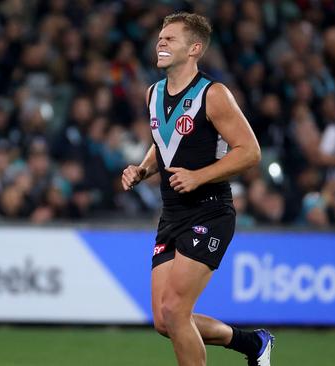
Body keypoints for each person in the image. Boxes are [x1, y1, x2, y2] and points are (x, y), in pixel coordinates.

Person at [121, 13, 273, 366]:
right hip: (172, 213)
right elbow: (164, 143)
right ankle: (252, 344)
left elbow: (250, 152)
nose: (160, 42)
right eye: (160, 37)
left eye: (170, 38)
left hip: (210, 210)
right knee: (164, 321)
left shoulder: (214, 94)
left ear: (194, 49)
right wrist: (143, 169)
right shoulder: (153, 93)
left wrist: (199, 176)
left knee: (175, 311)